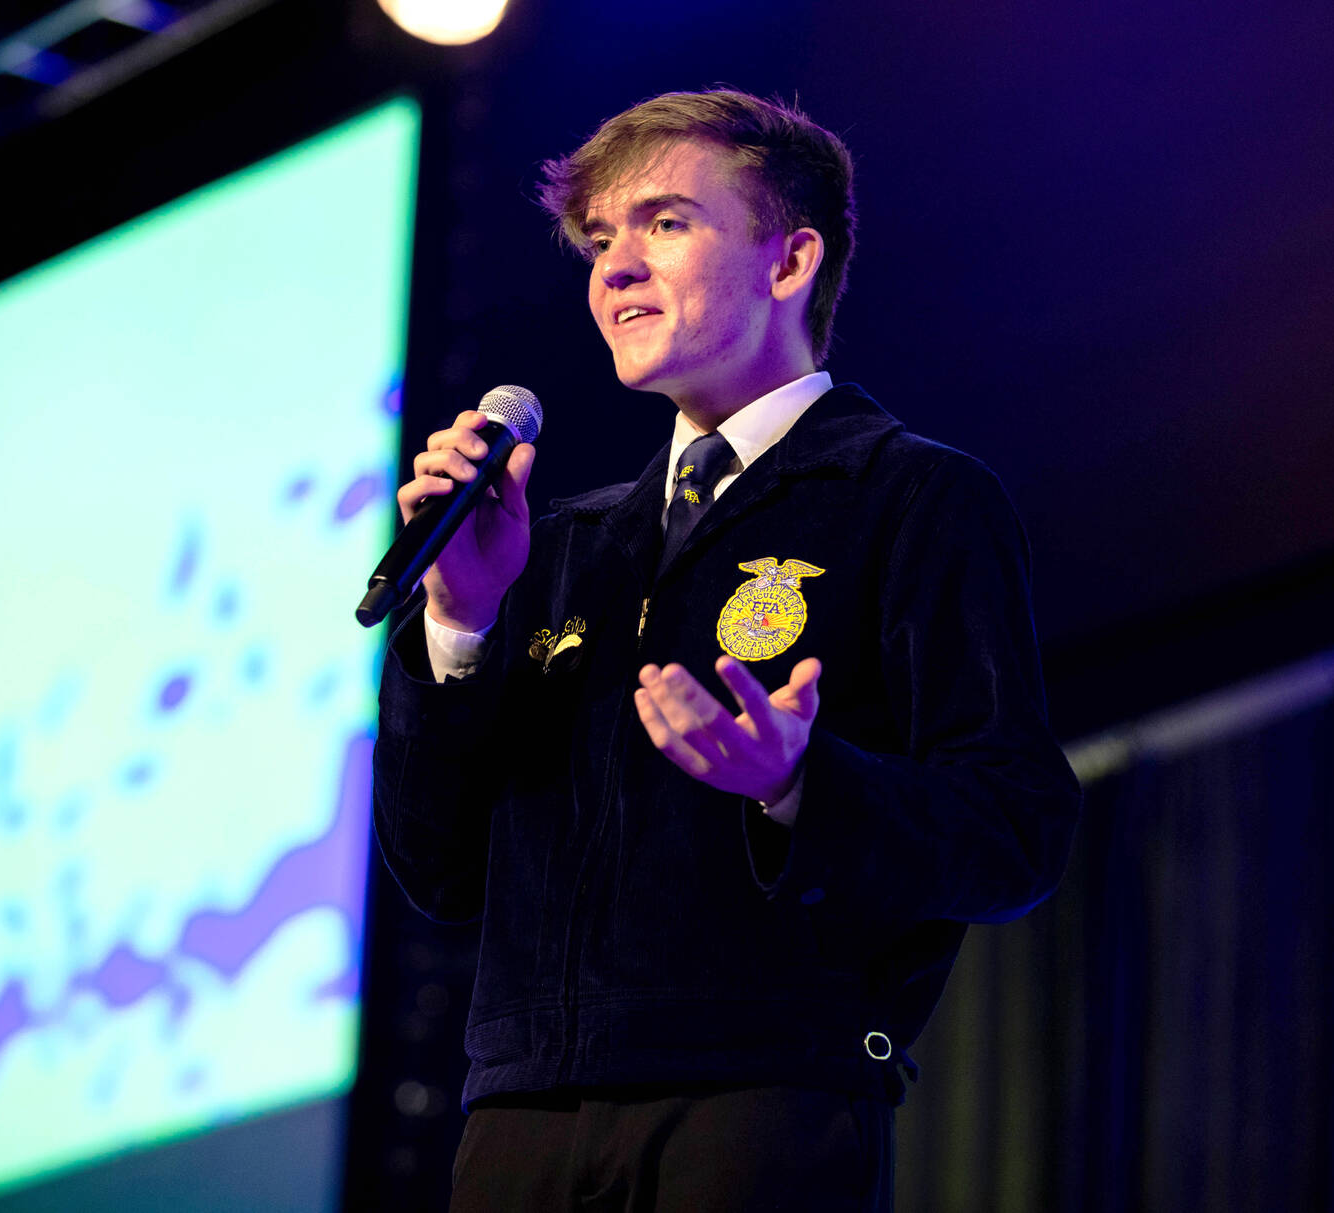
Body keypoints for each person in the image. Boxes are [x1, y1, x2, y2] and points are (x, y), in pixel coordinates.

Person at [373, 89, 1081, 1211]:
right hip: (518, 1123)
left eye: (664, 223)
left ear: (788, 261)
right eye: (598, 240)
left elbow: (1014, 832)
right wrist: (460, 621)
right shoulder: (560, 547)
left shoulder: (909, 497)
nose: (614, 268)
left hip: (759, 1104)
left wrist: (798, 786)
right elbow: (437, 869)